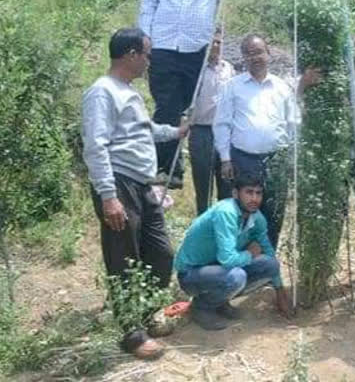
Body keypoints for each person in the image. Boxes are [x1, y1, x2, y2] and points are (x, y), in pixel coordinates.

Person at [138, 0, 293, 186]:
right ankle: (167, 170)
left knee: (186, 106)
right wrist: (145, 37)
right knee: (166, 104)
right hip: (162, 44)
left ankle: (181, 161)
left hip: (196, 48)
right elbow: (149, 0)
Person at [81, 28, 189, 359]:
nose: (149, 61)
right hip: (120, 184)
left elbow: (145, 131)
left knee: (160, 253)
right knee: (124, 259)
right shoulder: (102, 93)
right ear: (131, 55)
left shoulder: (129, 92)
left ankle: (147, 311)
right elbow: (96, 146)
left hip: (144, 185)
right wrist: (108, 196)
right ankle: (131, 332)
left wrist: (176, 131)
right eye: (147, 54)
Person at [297, 34, 355, 261]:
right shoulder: (331, 76)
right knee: (334, 211)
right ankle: (327, 263)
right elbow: (308, 106)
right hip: (334, 155)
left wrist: (341, 105)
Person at [174, 173, 292, 331]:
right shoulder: (226, 212)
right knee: (236, 276)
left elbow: (269, 253)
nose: (254, 198)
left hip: (218, 269)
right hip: (191, 273)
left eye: (258, 193)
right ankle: (201, 307)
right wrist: (250, 254)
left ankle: (219, 301)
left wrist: (280, 291)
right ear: (236, 193)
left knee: (269, 264)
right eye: (249, 192)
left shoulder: (256, 217)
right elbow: (227, 260)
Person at [213, 34, 296, 249]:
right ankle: (240, 265)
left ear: (268, 54)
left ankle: (266, 266)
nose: (254, 57)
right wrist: (225, 159)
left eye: (258, 52)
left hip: (276, 160)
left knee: (273, 213)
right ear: (243, 58)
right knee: (242, 212)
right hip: (243, 160)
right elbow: (222, 124)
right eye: (249, 54)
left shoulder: (282, 87)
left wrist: (291, 159)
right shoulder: (232, 86)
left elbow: (293, 123)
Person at [189, 27, 235, 215]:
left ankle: (224, 228)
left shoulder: (229, 68)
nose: (216, 46)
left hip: (226, 134)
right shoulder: (195, 71)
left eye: (219, 42)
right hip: (201, 132)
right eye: (212, 42)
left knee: (227, 184)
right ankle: (203, 227)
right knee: (203, 187)